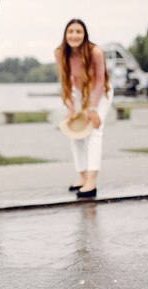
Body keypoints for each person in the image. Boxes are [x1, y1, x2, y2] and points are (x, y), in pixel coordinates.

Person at [55, 19, 114, 198]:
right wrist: (71, 107)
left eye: (78, 31)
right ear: (66, 35)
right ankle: (82, 177)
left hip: (100, 93)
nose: (74, 35)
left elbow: (100, 81)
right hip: (80, 93)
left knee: (94, 130)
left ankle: (92, 181)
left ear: (84, 34)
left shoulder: (95, 52)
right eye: (71, 31)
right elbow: (65, 80)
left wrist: (93, 109)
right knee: (76, 134)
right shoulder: (60, 53)